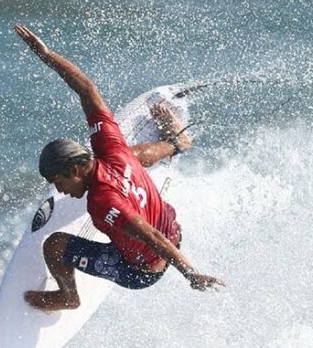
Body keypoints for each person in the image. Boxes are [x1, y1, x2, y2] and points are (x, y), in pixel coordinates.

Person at [12, 24, 224, 312]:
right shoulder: (108, 147)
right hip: (175, 233)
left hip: (141, 269)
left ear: (75, 170)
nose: (58, 188)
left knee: (55, 245)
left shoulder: (102, 202)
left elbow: (150, 236)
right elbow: (86, 90)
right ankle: (176, 144)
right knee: (130, 155)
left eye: (57, 181)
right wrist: (46, 54)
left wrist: (190, 273)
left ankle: (67, 296)